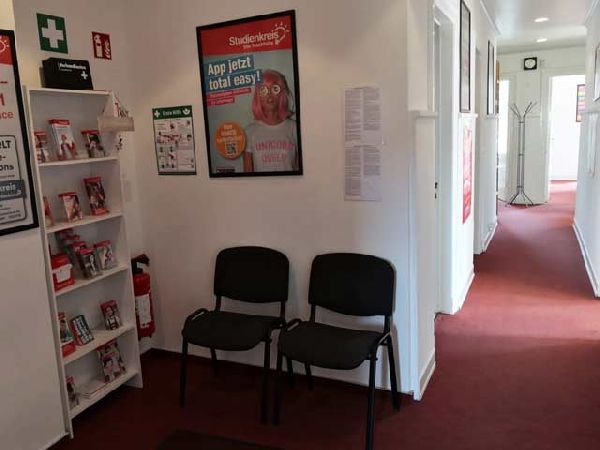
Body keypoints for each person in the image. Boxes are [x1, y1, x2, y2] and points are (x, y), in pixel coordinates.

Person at [243, 69, 298, 172]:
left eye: (275, 89)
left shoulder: (294, 128)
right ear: (258, 96)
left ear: (281, 94)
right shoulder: (249, 132)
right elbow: (247, 173)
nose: (269, 95)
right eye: (264, 90)